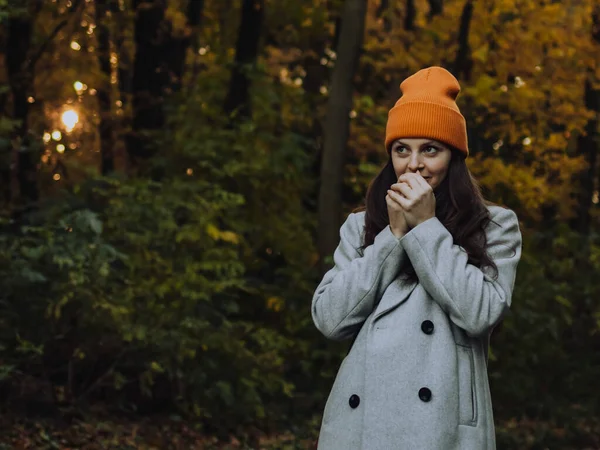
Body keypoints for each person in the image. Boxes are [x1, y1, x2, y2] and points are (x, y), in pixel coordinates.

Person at [311, 66, 522, 450]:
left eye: (431, 149)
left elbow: (481, 313)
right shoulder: (361, 226)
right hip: (359, 428)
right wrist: (393, 237)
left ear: (453, 157)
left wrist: (425, 228)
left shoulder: (495, 225)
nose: (414, 164)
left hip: (445, 428)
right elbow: (329, 319)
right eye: (401, 149)